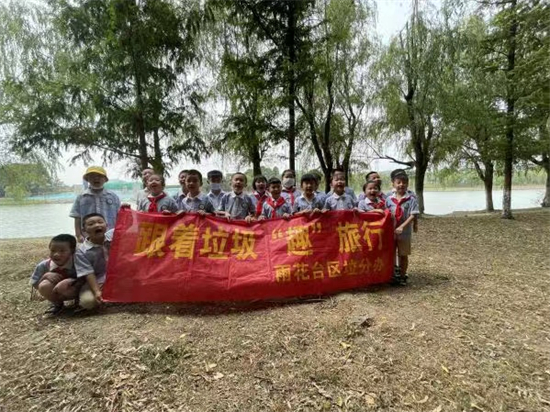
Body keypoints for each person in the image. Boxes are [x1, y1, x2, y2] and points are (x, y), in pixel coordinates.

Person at [30, 234, 81, 315]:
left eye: (62, 251)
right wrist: (45, 276)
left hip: (76, 289)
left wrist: (72, 281)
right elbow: (35, 283)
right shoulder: (44, 265)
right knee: (44, 285)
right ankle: (57, 304)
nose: (56, 254)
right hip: (56, 290)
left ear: (72, 251)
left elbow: (89, 278)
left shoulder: (79, 262)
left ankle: (79, 302)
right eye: (53, 251)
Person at [70, 166, 121, 243]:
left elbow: (120, 216)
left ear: (105, 179)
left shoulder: (113, 196)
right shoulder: (82, 197)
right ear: (87, 179)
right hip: (88, 235)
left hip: (110, 235)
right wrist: (78, 235)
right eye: (92, 176)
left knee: (109, 253)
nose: (96, 178)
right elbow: (77, 217)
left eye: (99, 176)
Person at [385, 171, 419, 284]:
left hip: (405, 232)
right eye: (398, 182)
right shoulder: (389, 200)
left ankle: (403, 276)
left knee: (403, 254)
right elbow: (385, 214)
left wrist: (402, 227)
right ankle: (394, 274)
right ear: (393, 184)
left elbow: (413, 215)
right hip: (391, 232)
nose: (401, 185)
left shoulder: (411, 199)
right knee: (391, 253)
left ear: (407, 184)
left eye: (404, 182)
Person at [74, 214, 114, 310]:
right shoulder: (81, 251)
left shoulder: (114, 235)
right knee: (88, 302)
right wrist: (96, 291)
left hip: (119, 276)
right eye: (91, 224)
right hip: (98, 280)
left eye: (100, 222)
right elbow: (88, 273)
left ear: (106, 225)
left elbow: (127, 224)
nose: (97, 225)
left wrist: (125, 209)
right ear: (84, 230)